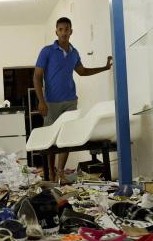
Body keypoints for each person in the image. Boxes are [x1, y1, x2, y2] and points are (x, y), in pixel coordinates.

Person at [33, 17, 113, 182]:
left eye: (66, 29)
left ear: (71, 31)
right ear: (56, 32)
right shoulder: (47, 51)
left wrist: (105, 68)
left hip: (70, 101)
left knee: (67, 137)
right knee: (50, 138)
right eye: (60, 29)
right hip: (51, 102)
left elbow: (82, 72)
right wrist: (41, 101)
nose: (63, 32)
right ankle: (51, 172)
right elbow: (37, 77)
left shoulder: (74, 53)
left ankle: (61, 171)